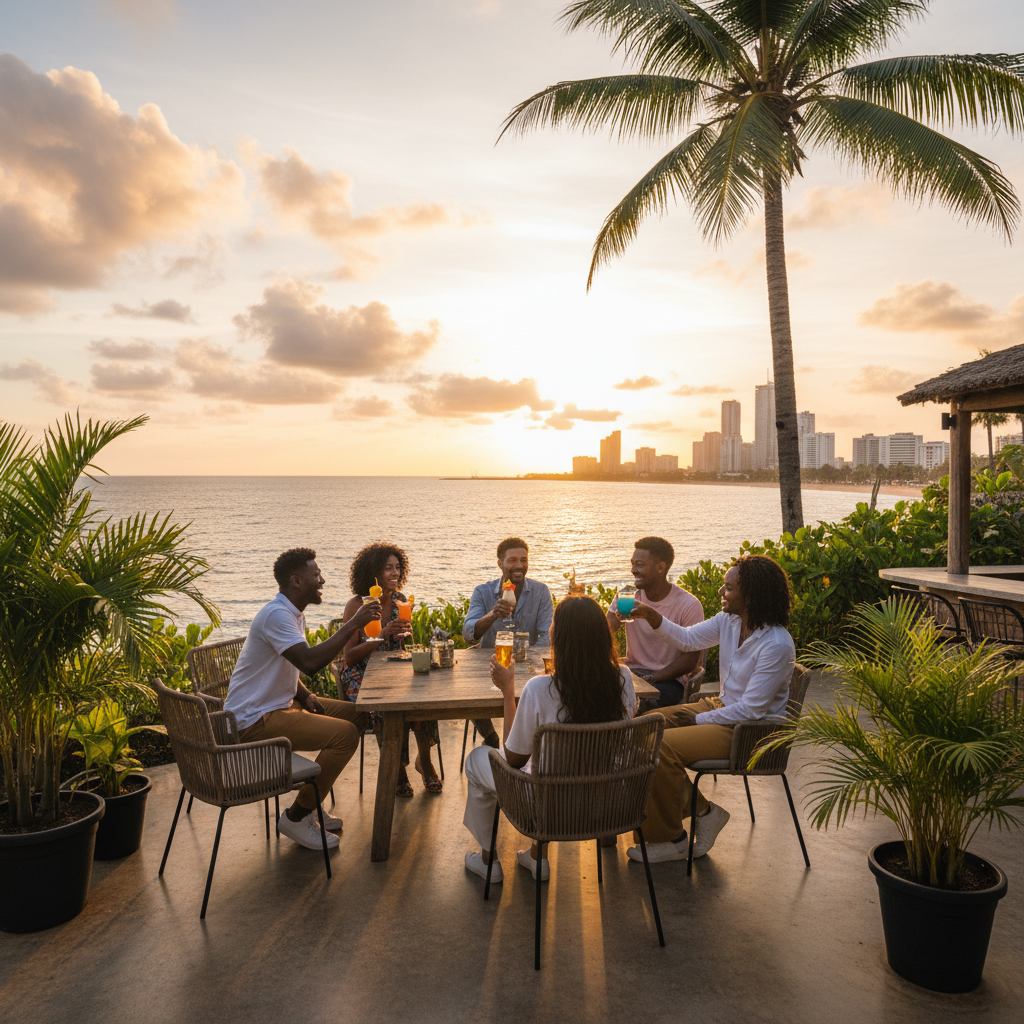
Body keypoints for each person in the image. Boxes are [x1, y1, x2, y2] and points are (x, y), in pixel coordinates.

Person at [622, 554, 795, 864]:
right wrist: (651, 616)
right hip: (723, 709)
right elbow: (687, 640)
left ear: (751, 595)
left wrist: (697, 716)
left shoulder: (776, 645)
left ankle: (669, 839)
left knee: (659, 747)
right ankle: (704, 811)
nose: (721, 593)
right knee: (643, 728)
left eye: (728, 588)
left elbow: (751, 711)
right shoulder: (730, 621)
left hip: (750, 731)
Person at [462, 595, 637, 884]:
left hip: (546, 808)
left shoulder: (540, 688)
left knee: (477, 760)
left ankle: (487, 860)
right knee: (559, 767)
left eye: (554, 622)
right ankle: (535, 856)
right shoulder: (624, 678)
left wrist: (508, 690)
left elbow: (514, 759)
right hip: (608, 802)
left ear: (559, 635)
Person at [225, 547, 378, 852]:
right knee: (345, 736)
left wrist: (305, 694)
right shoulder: (277, 616)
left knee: (358, 715)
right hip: (253, 721)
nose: (322, 580)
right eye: (316, 574)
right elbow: (308, 662)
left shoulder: (293, 615)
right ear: (296, 581)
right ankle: (296, 817)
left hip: (281, 706)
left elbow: (288, 667)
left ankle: (311, 797)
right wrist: (354, 624)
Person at [339, 542, 442, 795]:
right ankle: (396, 769)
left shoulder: (400, 600)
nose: (395, 573)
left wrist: (406, 635)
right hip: (361, 674)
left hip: (394, 670)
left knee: (422, 697)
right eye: (388, 568)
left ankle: (425, 762)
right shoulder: (357, 605)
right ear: (373, 573)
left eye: (398, 568)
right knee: (384, 708)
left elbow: (401, 646)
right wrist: (382, 636)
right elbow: (349, 656)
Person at [463, 537, 553, 747]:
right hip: (490, 666)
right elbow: (468, 634)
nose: (519, 565)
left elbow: (547, 636)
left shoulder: (540, 592)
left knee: (541, 692)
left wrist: (530, 661)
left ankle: (526, 744)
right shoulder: (483, 592)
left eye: (523, 559)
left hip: (527, 668)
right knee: (470, 691)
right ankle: (492, 738)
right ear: (500, 563)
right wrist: (493, 614)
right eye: (512, 560)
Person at [607, 536, 704, 708]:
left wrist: (653, 677)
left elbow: (690, 659)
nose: (633, 570)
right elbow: (604, 633)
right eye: (632, 564)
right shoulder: (627, 596)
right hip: (633, 673)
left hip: (669, 681)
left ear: (660, 568)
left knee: (633, 705)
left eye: (640, 564)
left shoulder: (688, 605)